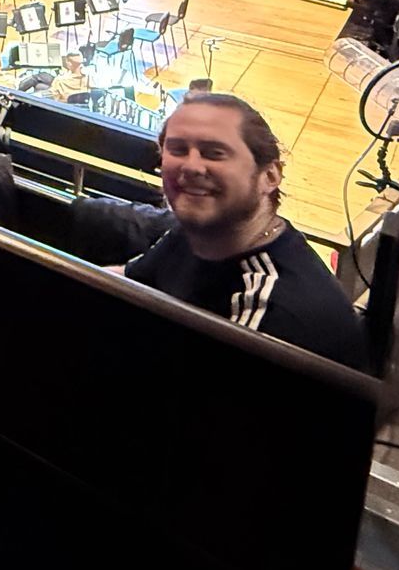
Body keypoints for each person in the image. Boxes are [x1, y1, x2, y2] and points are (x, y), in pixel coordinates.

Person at [126, 94, 368, 369]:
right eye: (178, 150)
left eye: (214, 153)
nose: (191, 166)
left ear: (270, 177)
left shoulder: (273, 310)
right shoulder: (200, 233)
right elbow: (129, 278)